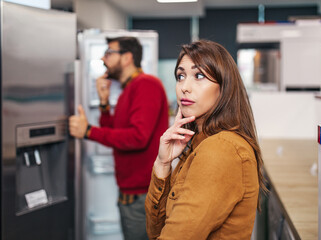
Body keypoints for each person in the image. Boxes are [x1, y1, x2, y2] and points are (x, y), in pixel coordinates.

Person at [145, 40, 267, 240]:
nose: (184, 87)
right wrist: (163, 163)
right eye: (180, 76)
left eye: (199, 75)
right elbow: (156, 231)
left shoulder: (221, 149)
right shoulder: (199, 142)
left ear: (224, 86)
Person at [69, 36, 168, 240]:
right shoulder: (128, 89)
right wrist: (104, 105)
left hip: (142, 195)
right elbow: (117, 137)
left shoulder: (146, 84)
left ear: (127, 58)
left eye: (109, 53)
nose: (104, 59)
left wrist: (88, 131)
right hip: (131, 193)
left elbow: (138, 137)